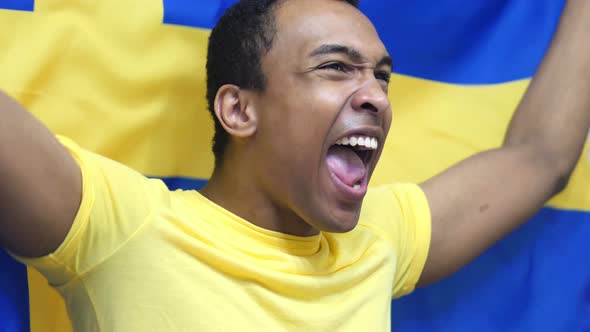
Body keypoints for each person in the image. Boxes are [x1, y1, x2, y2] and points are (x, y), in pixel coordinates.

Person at [1, 0, 589, 330]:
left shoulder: (377, 242)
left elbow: (540, 156)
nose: (375, 96)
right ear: (238, 109)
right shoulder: (122, 227)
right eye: (336, 67)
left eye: (380, 76)